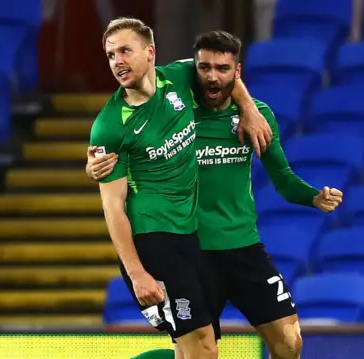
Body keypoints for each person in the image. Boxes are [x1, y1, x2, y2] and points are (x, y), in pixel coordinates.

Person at [88, 30, 344, 359]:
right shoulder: (173, 107)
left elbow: (282, 178)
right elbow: (117, 160)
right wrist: (93, 165)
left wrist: (313, 197)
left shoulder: (256, 117)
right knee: (199, 350)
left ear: (237, 74)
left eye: (223, 70)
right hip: (189, 247)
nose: (212, 76)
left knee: (289, 342)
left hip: (242, 246)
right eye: (204, 68)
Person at [91, 18, 272, 359]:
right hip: (153, 241)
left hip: (189, 236)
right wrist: (137, 273)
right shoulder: (110, 126)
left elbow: (225, 73)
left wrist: (248, 108)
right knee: (200, 348)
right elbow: (113, 207)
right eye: (110, 54)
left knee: (201, 350)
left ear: (150, 52)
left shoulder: (177, 77)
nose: (117, 61)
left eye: (125, 51)